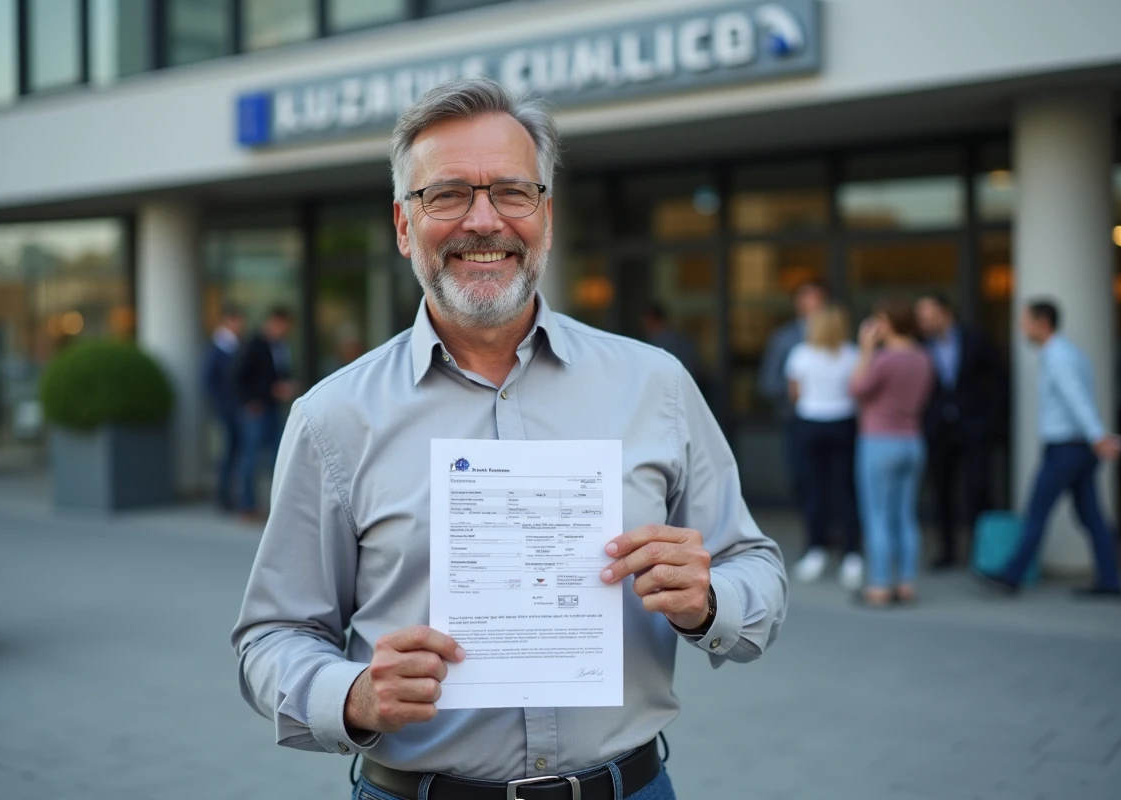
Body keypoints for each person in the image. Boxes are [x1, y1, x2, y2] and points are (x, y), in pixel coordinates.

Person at [231, 77, 787, 800]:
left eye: (512, 192)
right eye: (447, 194)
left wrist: (709, 600)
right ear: (403, 225)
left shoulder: (655, 384)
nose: (484, 220)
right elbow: (271, 636)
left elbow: (756, 568)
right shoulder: (333, 417)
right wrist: (353, 694)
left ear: (545, 218)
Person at [979, 300, 1121, 598]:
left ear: (1042, 322)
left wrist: (1098, 436)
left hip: (1066, 448)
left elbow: (1076, 399)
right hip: (1077, 447)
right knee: (1091, 516)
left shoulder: (1059, 357)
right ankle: (1110, 579)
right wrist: (1095, 437)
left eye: (1025, 321)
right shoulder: (1070, 354)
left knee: (1038, 511)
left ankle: (1011, 575)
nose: (1021, 328)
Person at [849, 299, 934, 607]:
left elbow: (856, 388)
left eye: (878, 320)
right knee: (905, 515)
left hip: (879, 442)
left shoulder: (884, 359)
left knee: (878, 516)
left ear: (889, 322)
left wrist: (865, 350)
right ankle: (906, 583)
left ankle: (881, 585)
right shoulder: (923, 357)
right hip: (912, 441)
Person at [915, 293, 1007, 569]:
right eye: (921, 318)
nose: (924, 323)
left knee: (978, 488)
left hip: (973, 426)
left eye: (929, 316)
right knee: (941, 490)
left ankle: (982, 551)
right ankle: (947, 549)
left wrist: (989, 420)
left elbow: (1000, 379)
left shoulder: (974, 338)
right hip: (938, 430)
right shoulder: (920, 345)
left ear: (946, 313)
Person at [784, 304, 862, 589]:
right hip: (843, 423)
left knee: (814, 490)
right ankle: (851, 555)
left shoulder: (801, 354)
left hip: (810, 424)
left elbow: (794, 393)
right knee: (846, 491)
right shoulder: (852, 354)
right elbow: (858, 391)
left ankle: (816, 551)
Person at [759, 279, 828, 510]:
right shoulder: (784, 337)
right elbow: (769, 381)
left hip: (836, 418)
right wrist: (798, 394)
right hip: (797, 417)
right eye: (806, 298)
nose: (812, 304)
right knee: (803, 476)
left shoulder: (839, 333)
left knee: (835, 478)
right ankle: (813, 525)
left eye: (817, 298)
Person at [232, 306, 295, 521]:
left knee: (279, 456)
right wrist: (252, 400)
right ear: (273, 322)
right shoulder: (255, 344)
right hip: (257, 409)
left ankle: (278, 506)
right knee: (250, 458)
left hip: (273, 407)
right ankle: (247, 506)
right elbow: (238, 375)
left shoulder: (280, 346)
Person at [201, 305, 246, 511]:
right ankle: (223, 495)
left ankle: (231, 494)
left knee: (236, 452)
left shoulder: (238, 345)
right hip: (225, 409)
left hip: (237, 408)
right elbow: (208, 381)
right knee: (227, 452)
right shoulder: (217, 348)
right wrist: (220, 404)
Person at [642, 303, 703, 391]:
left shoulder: (656, 344)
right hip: (687, 389)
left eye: (647, 321)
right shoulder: (683, 339)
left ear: (652, 320)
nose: (644, 326)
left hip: (670, 390)